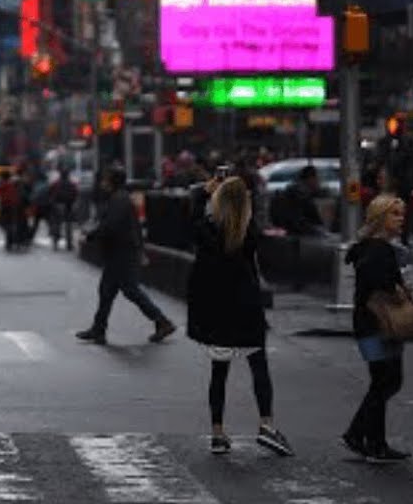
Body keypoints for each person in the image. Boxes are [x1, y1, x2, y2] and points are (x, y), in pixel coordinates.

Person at [187, 177, 294, 457]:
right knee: (259, 368)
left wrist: (203, 196)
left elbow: (193, 223)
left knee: (219, 372)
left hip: (219, 311)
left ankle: (218, 433)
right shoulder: (249, 233)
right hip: (247, 308)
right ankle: (266, 425)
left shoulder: (209, 232)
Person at [343, 194, 413, 463]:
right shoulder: (379, 250)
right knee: (387, 381)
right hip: (379, 326)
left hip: (368, 326)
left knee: (382, 381)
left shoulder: (370, 247)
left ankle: (374, 441)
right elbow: (377, 286)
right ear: (381, 219)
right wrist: (400, 290)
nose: (401, 219)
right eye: (396, 214)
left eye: (402, 214)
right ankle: (358, 434)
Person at [76, 167, 177, 345]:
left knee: (131, 290)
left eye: (106, 179)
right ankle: (98, 329)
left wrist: (92, 235)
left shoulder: (119, 200)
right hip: (120, 253)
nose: (102, 183)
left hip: (122, 254)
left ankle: (162, 321)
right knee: (106, 291)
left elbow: (111, 226)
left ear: (112, 181)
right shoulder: (119, 198)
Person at [269, 165, 327, 237]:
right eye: (318, 179)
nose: (319, 182)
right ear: (311, 179)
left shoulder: (293, 192)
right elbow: (303, 222)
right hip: (298, 237)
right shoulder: (301, 196)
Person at [48, 169, 79, 251]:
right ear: (68, 175)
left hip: (58, 205)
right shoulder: (72, 184)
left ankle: (55, 242)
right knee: (68, 225)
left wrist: (52, 202)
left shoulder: (56, 183)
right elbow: (76, 193)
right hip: (68, 205)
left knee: (57, 224)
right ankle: (69, 244)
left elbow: (50, 192)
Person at [0, 171, 23, 252]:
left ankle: (10, 242)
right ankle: (14, 242)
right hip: (14, 207)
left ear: (2, 178)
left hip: (6, 207)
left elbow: (0, 198)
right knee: (12, 225)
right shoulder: (12, 185)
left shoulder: (2, 186)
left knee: (7, 225)